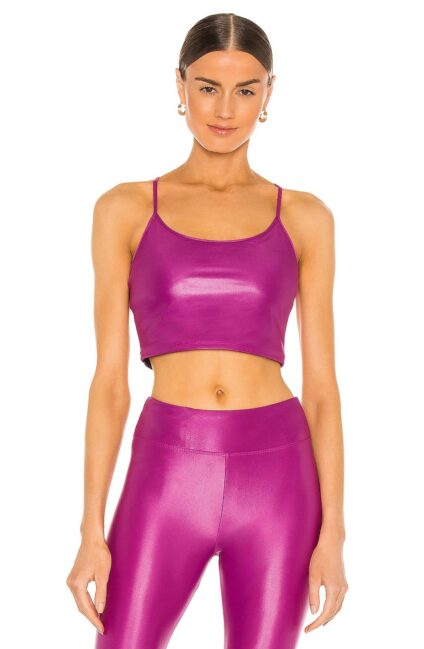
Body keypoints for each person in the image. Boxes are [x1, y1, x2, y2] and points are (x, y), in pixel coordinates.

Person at [66, 12, 348, 649]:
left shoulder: (305, 218)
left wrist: (333, 533)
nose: (225, 109)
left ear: (268, 94)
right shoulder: (125, 209)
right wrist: (90, 530)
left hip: (278, 474)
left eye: (246, 89)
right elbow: (108, 384)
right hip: (167, 467)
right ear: (180, 86)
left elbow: (323, 391)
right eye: (208, 87)